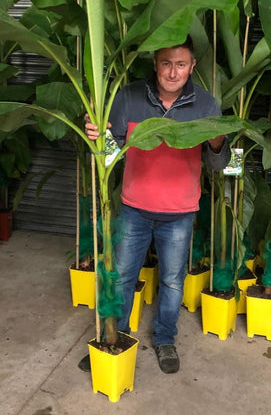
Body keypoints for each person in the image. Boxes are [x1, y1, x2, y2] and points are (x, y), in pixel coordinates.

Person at [82, 35, 230, 374]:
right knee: (121, 278)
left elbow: (218, 165)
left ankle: (165, 340)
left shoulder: (206, 105)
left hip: (179, 212)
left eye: (181, 64)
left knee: (173, 282)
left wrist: (219, 140)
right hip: (134, 207)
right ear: (155, 64)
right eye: (166, 63)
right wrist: (96, 134)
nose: (173, 72)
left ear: (192, 66)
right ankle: (112, 338)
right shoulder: (130, 96)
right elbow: (111, 148)